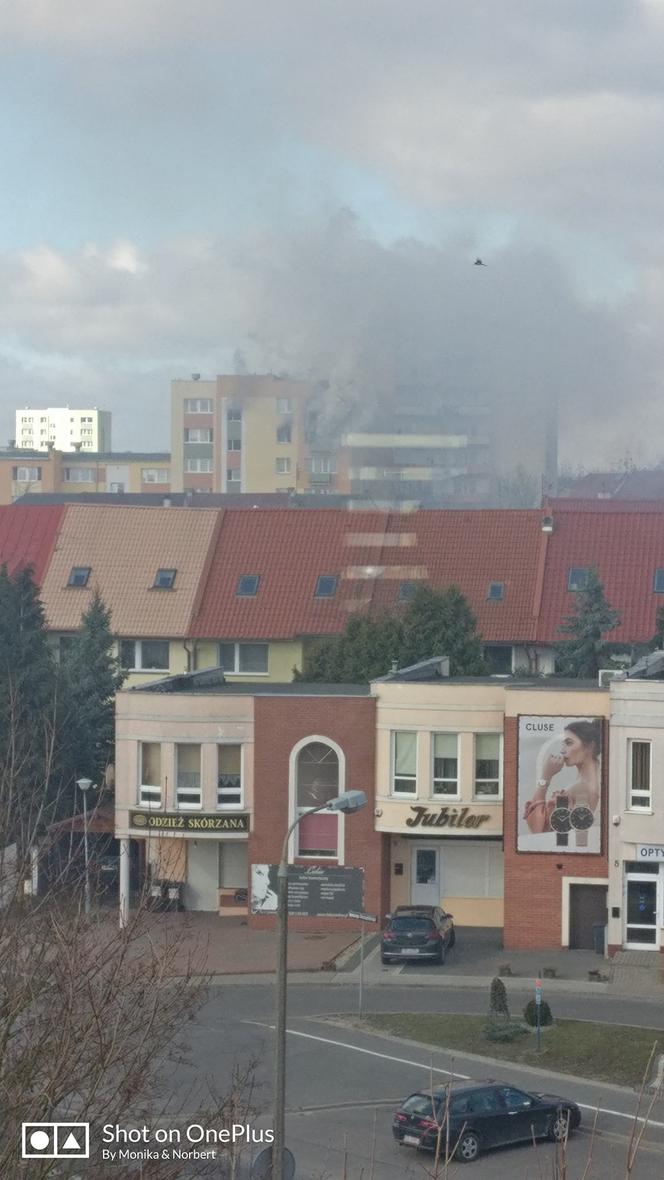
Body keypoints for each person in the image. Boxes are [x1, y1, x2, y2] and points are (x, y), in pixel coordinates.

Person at [523, 719, 601, 835]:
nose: (562, 751)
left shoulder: (577, 789)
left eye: (569, 743)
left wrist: (546, 776)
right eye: (563, 744)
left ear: (590, 747)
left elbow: (538, 828)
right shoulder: (601, 781)